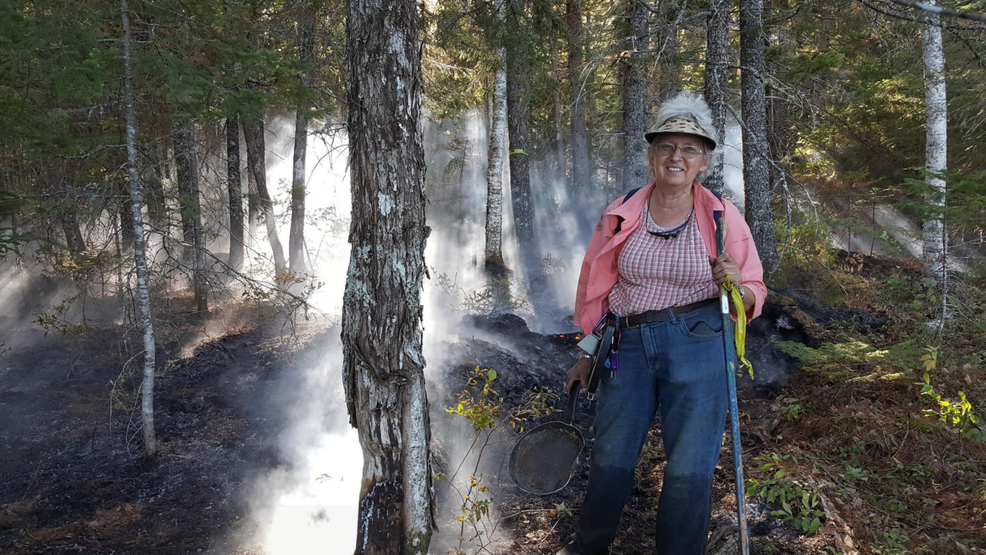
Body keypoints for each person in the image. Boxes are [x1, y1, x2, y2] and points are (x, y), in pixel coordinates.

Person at [559, 91, 766, 555]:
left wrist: (737, 283)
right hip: (627, 344)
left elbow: (754, 290)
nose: (677, 156)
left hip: (700, 342)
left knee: (689, 469)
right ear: (651, 155)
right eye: (667, 146)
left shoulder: (722, 217)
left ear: (704, 162)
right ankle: (590, 548)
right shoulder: (621, 211)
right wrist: (586, 353)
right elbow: (598, 288)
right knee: (610, 460)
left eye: (690, 148)